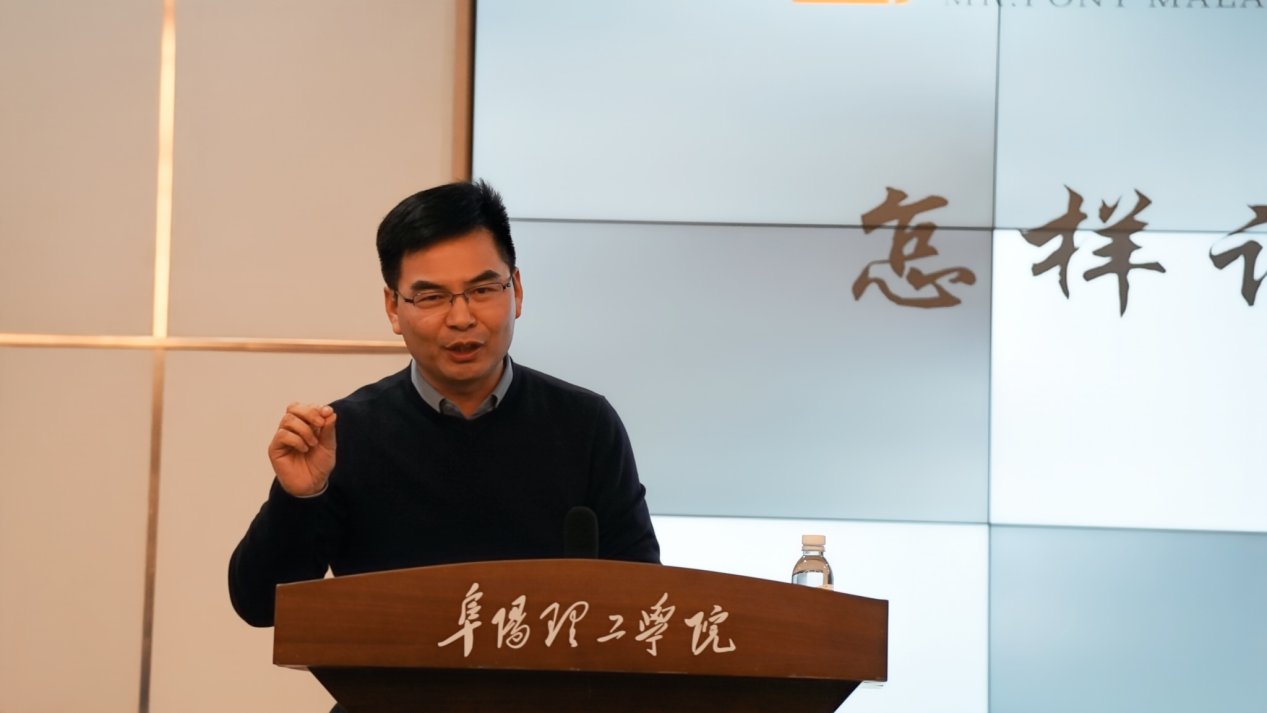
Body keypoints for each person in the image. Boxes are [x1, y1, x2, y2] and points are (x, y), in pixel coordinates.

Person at [228, 181, 660, 628]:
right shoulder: (344, 435)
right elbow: (261, 607)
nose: (461, 318)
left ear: (516, 291)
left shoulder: (585, 425)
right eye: (432, 297)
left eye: (483, 290)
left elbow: (646, 600)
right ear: (393, 308)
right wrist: (299, 499)